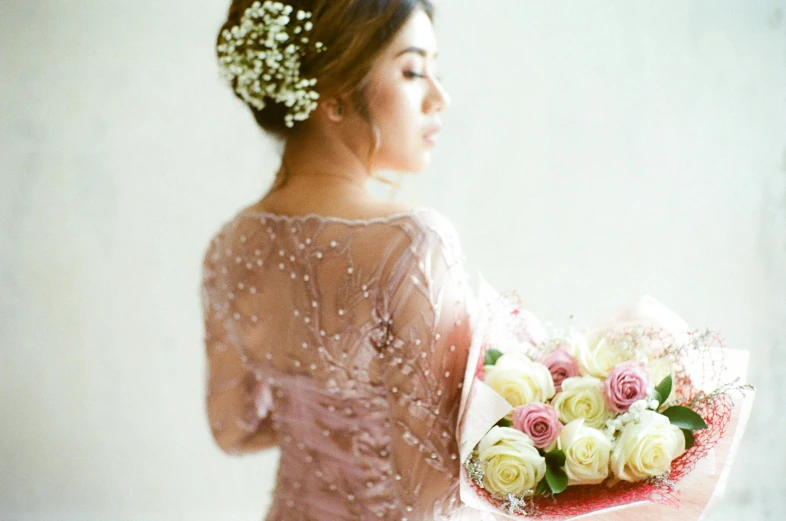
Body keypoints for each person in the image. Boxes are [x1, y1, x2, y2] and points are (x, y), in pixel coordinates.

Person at [201, 1, 484, 519]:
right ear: (332, 96)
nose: (439, 97)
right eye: (414, 70)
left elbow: (232, 430)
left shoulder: (228, 246)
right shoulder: (413, 244)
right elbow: (434, 500)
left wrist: (312, 421)